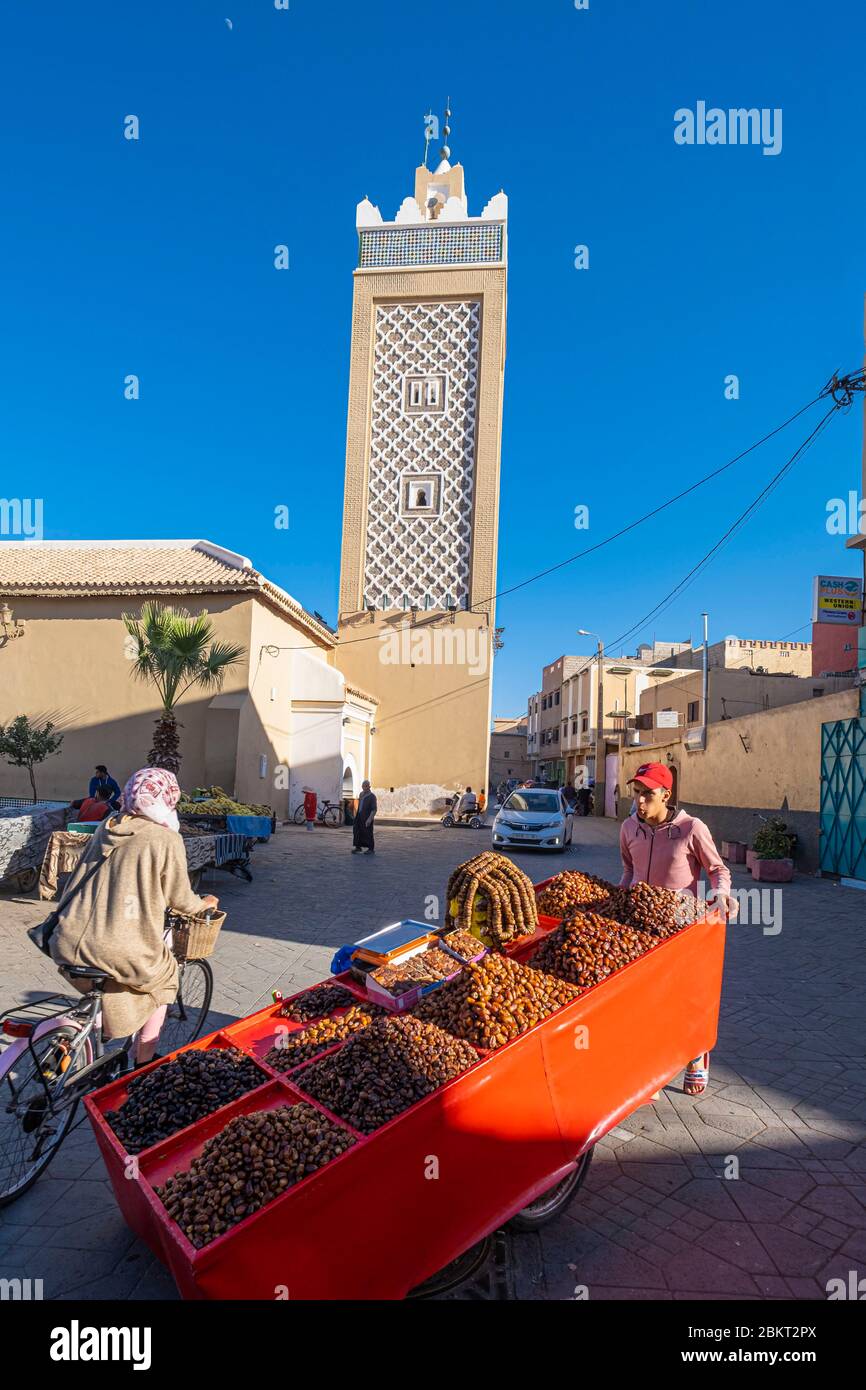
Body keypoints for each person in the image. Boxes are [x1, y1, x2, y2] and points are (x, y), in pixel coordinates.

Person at [50, 767, 217, 1066]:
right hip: (116, 947)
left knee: (108, 986)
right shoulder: (164, 838)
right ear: (168, 797)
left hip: (65, 938)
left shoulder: (108, 825)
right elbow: (179, 898)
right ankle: (144, 1060)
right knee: (164, 979)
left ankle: (78, 1037)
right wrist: (203, 904)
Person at [619, 761, 737, 1099]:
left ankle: (696, 1053)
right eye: (637, 794)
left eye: (648, 795)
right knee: (645, 999)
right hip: (639, 926)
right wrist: (617, 900)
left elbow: (717, 869)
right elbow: (628, 871)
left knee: (683, 997)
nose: (640, 802)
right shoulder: (629, 828)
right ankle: (651, 1069)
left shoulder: (691, 828)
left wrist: (721, 894)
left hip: (681, 927)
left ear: (666, 795)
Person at [352, 780, 377, 853]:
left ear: (369, 787)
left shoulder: (372, 796)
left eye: (366, 786)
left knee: (368, 832)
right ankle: (358, 847)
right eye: (363, 786)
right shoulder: (361, 794)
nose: (364, 787)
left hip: (367, 817)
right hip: (359, 816)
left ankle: (371, 849)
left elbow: (374, 809)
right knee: (357, 831)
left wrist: (370, 819)